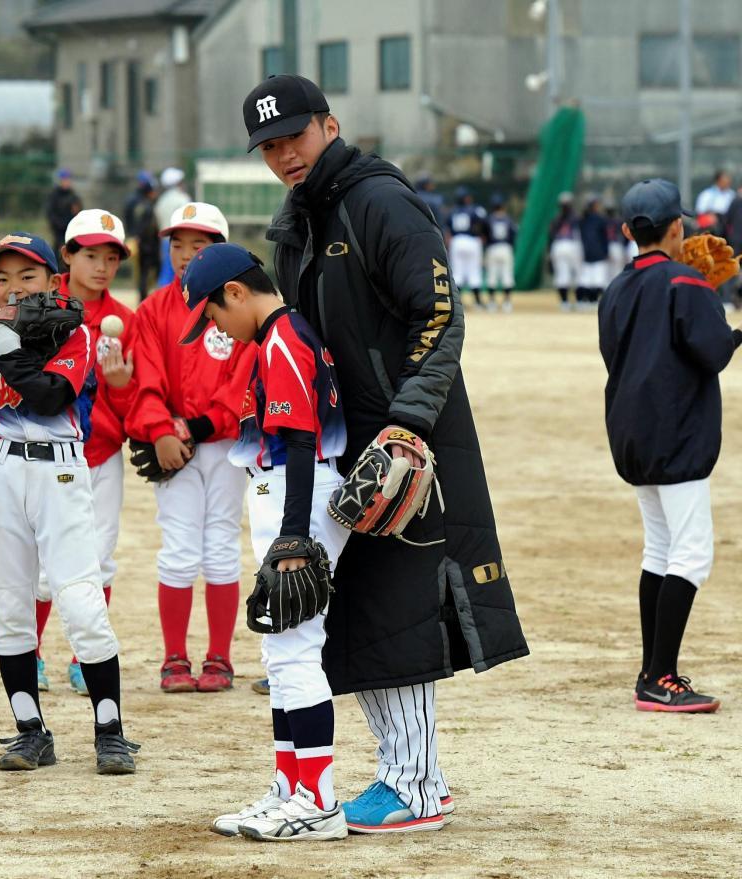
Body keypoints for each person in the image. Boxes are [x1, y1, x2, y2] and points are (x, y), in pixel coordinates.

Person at [244, 73, 528, 833]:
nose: (284, 155)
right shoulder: (294, 222)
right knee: (361, 611)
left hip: (406, 443)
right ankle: (406, 772)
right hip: (347, 446)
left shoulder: (379, 201)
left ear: (329, 126)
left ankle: (417, 783)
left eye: (294, 137)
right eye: (269, 146)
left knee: (399, 609)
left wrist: (406, 425)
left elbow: (437, 315)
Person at [178, 243, 350, 841]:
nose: (215, 329)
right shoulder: (282, 335)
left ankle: (320, 800)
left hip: (294, 491)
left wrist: (296, 535)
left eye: (213, 315)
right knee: (280, 653)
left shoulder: (282, 340)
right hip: (280, 487)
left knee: (297, 650)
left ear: (235, 293)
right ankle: (290, 785)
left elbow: (301, 443)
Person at [0, 232, 138, 773]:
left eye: (27, 276)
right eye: (2, 278)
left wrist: (8, 344)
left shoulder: (73, 335)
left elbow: (51, 396)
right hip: (3, 470)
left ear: (53, 283)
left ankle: (111, 732)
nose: (13, 288)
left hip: (58, 468)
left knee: (80, 599)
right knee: (10, 608)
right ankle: (30, 731)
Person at [599, 179, 737, 714]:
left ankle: (651, 671)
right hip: (677, 432)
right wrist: (714, 300)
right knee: (692, 551)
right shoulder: (688, 283)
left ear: (629, 231)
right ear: (677, 227)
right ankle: (661, 675)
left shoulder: (615, 288)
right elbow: (714, 352)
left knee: (660, 549)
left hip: (632, 431)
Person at [125, 202, 255, 693]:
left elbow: (241, 384)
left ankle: (219, 657)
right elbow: (147, 380)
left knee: (221, 545)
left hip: (223, 446)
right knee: (178, 549)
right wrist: (159, 430)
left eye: (198, 247)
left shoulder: (236, 307)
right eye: (177, 245)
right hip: (172, 447)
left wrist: (195, 428)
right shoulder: (156, 309)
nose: (184, 255)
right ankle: (174, 656)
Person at [32, 210, 137, 695]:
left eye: (111, 257)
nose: (101, 266)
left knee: (99, 557)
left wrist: (119, 385)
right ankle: (30, 654)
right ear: (67, 255)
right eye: (90, 254)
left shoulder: (125, 320)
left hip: (102, 453)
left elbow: (132, 399)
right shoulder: (40, 308)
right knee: (40, 565)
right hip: (49, 451)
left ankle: (82, 657)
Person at [445, 186, 486, 309]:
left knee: (457, 273)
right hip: (472, 240)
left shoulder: (452, 211)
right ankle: (478, 303)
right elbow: (485, 222)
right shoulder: (475, 209)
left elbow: (447, 230)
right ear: (466, 198)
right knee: (474, 272)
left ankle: (457, 304)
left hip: (456, 241)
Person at [123, 172, 161, 301]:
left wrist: (132, 235)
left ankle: (143, 297)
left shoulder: (132, 200)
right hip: (146, 243)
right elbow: (146, 226)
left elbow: (128, 220)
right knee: (145, 272)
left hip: (138, 241)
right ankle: (144, 298)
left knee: (141, 272)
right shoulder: (144, 203)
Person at [154, 167, 192, 287]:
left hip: (165, 240)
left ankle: (163, 298)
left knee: (166, 271)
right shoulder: (182, 199)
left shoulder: (161, 200)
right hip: (183, 240)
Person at [484, 193, 517, 313]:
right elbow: (514, 234)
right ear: (502, 206)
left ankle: (492, 302)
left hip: (492, 248)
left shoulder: (489, 218)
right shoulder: (508, 218)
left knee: (492, 275)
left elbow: (485, 235)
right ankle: (507, 303)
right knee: (507, 275)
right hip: (505, 247)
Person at [549, 192, 582, 311]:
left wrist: (549, 253)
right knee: (577, 274)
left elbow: (551, 236)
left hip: (558, 246)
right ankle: (579, 301)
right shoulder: (576, 218)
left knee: (562, 275)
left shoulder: (556, 219)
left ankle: (564, 302)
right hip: (573, 245)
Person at [578, 196, 610, 309]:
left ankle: (584, 301)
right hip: (598, 252)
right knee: (598, 278)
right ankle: (594, 300)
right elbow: (604, 238)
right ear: (594, 206)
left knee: (586, 278)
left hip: (585, 252)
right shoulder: (600, 219)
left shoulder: (582, 219)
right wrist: (606, 251)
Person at [46, 169, 82, 256]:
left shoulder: (73, 196)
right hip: (58, 229)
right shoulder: (54, 195)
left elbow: (78, 211)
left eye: (68, 179)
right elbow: (50, 212)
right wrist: (57, 224)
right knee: (58, 250)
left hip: (71, 229)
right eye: (64, 180)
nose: (66, 182)